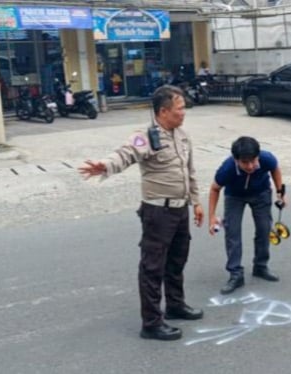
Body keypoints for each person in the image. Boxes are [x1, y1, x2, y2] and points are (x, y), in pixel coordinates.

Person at [78, 85, 204, 341]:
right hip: (158, 211)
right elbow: (125, 154)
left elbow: (189, 171)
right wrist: (106, 166)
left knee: (177, 260)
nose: (183, 113)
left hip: (180, 210)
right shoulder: (145, 136)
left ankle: (176, 305)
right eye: (179, 109)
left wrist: (197, 202)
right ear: (163, 111)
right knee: (152, 267)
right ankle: (151, 323)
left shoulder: (182, 136)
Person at [208, 136, 286, 294]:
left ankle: (261, 266)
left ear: (258, 156)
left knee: (264, 230)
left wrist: (280, 192)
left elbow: (275, 169)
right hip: (234, 196)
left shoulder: (266, 158)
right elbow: (214, 189)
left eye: (253, 161)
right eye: (245, 162)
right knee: (232, 233)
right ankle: (235, 273)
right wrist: (212, 216)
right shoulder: (227, 168)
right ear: (236, 160)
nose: (250, 166)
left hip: (261, 193)